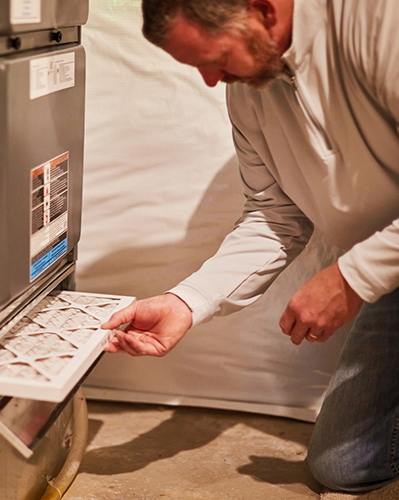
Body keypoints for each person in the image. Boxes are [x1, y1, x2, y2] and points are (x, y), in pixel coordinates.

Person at [101, 0, 399, 494]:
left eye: (213, 59)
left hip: (378, 269)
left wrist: (352, 277)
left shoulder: (376, 18)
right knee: (343, 467)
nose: (211, 82)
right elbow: (275, 216)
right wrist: (186, 302)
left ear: (262, 9)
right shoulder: (249, 92)